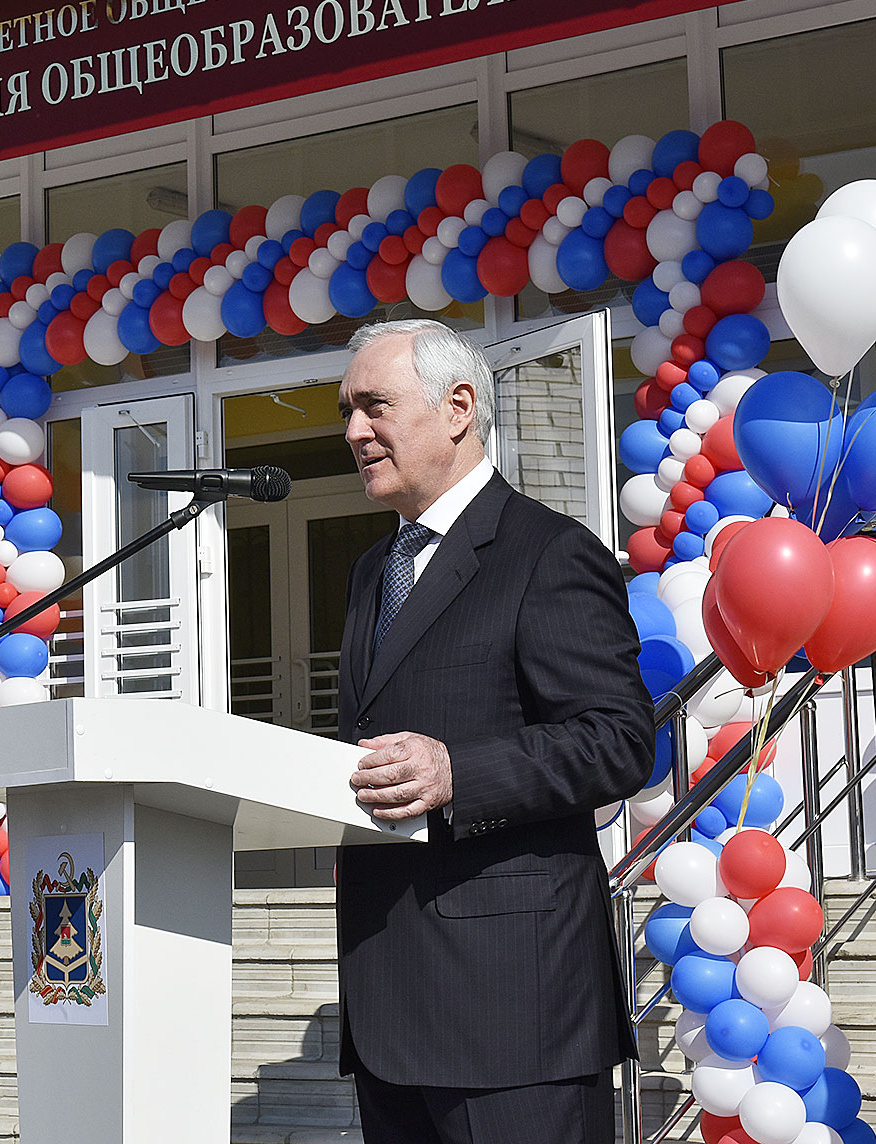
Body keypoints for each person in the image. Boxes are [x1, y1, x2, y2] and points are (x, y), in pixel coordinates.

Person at [332, 320, 654, 1143]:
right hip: (388, 1003)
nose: (355, 432)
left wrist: (457, 773)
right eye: (347, 412)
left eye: (374, 406)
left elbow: (619, 739)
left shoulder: (550, 552)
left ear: (458, 408)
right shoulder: (372, 571)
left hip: (514, 1010)